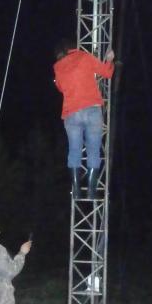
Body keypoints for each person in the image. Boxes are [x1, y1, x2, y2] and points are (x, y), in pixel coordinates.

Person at [53, 39, 115, 198]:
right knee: (93, 150)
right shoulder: (84, 56)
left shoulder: (58, 66)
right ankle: (91, 191)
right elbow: (107, 73)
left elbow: (60, 87)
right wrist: (109, 60)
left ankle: (76, 190)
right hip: (92, 110)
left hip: (71, 113)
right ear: (75, 47)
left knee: (74, 151)